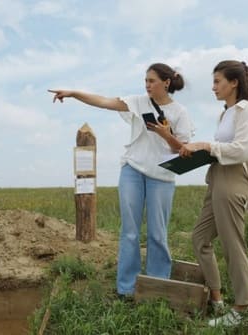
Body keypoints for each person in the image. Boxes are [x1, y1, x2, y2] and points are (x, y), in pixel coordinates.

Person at [49, 63, 195, 297]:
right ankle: (126, 289)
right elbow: (104, 101)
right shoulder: (137, 102)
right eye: (145, 80)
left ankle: (157, 287)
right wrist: (74, 93)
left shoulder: (180, 112)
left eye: (152, 81)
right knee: (129, 232)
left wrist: (165, 135)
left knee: (158, 232)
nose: (147, 85)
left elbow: (184, 150)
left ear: (166, 82)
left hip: (162, 175)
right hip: (133, 170)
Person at [179, 60, 248, 327]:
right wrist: (201, 152)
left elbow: (244, 149)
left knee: (233, 244)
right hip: (217, 178)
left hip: (234, 180)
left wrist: (205, 145)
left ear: (233, 83)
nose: (213, 87)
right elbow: (224, 148)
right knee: (200, 238)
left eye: (217, 81)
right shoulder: (226, 113)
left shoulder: (245, 111)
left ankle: (242, 307)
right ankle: (217, 298)